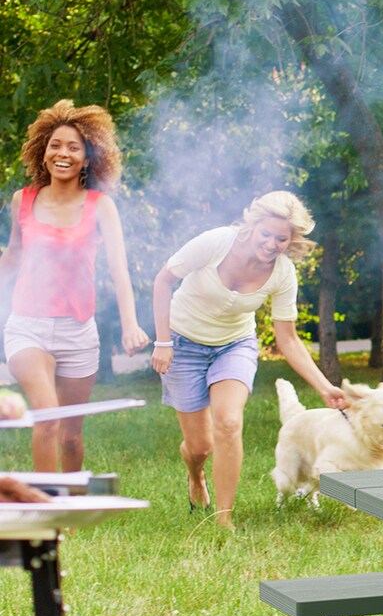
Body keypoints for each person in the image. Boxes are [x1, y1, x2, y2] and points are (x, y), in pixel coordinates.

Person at [152, 191, 346, 527]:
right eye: (266, 234)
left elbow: (287, 338)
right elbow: (163, 279)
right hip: (182, 343)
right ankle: (196, 476)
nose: (272, 244)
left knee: (228, 422)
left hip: (234, 345)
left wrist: (324, 387)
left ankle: (223, 519)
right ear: (252, 226)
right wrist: (163, 341)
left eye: (281, 239)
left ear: (292, 240)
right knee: (199, 446)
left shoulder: (283, 274)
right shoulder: (216, 242)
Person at [0, 100, 150, 471]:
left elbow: (119, 271)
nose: (62, 153)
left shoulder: (100, 206)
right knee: (47, 418)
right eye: (55, 145)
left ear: (87, 159)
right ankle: (46, 515)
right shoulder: (23, 200)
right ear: (42, 152)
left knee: (70, 435)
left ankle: (70, 508)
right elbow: (12, 259)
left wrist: (130, 325)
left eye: (73, 147)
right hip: (27, 328)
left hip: (78, 332)